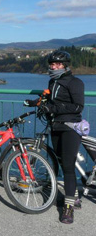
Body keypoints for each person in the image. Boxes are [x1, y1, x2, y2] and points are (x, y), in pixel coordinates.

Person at [24, 50, 84, 224]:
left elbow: (77, 107)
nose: (54, 67)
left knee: (68, 166)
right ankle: (75, 197)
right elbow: (51, 101)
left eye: (57, 64)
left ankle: (69, 207)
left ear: (65, 66)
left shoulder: (75, 82)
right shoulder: (53, 82)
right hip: (55, 127)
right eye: (51, 64)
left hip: (70, 128)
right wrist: (38, 103)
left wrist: (54, 109)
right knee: (58, 160)